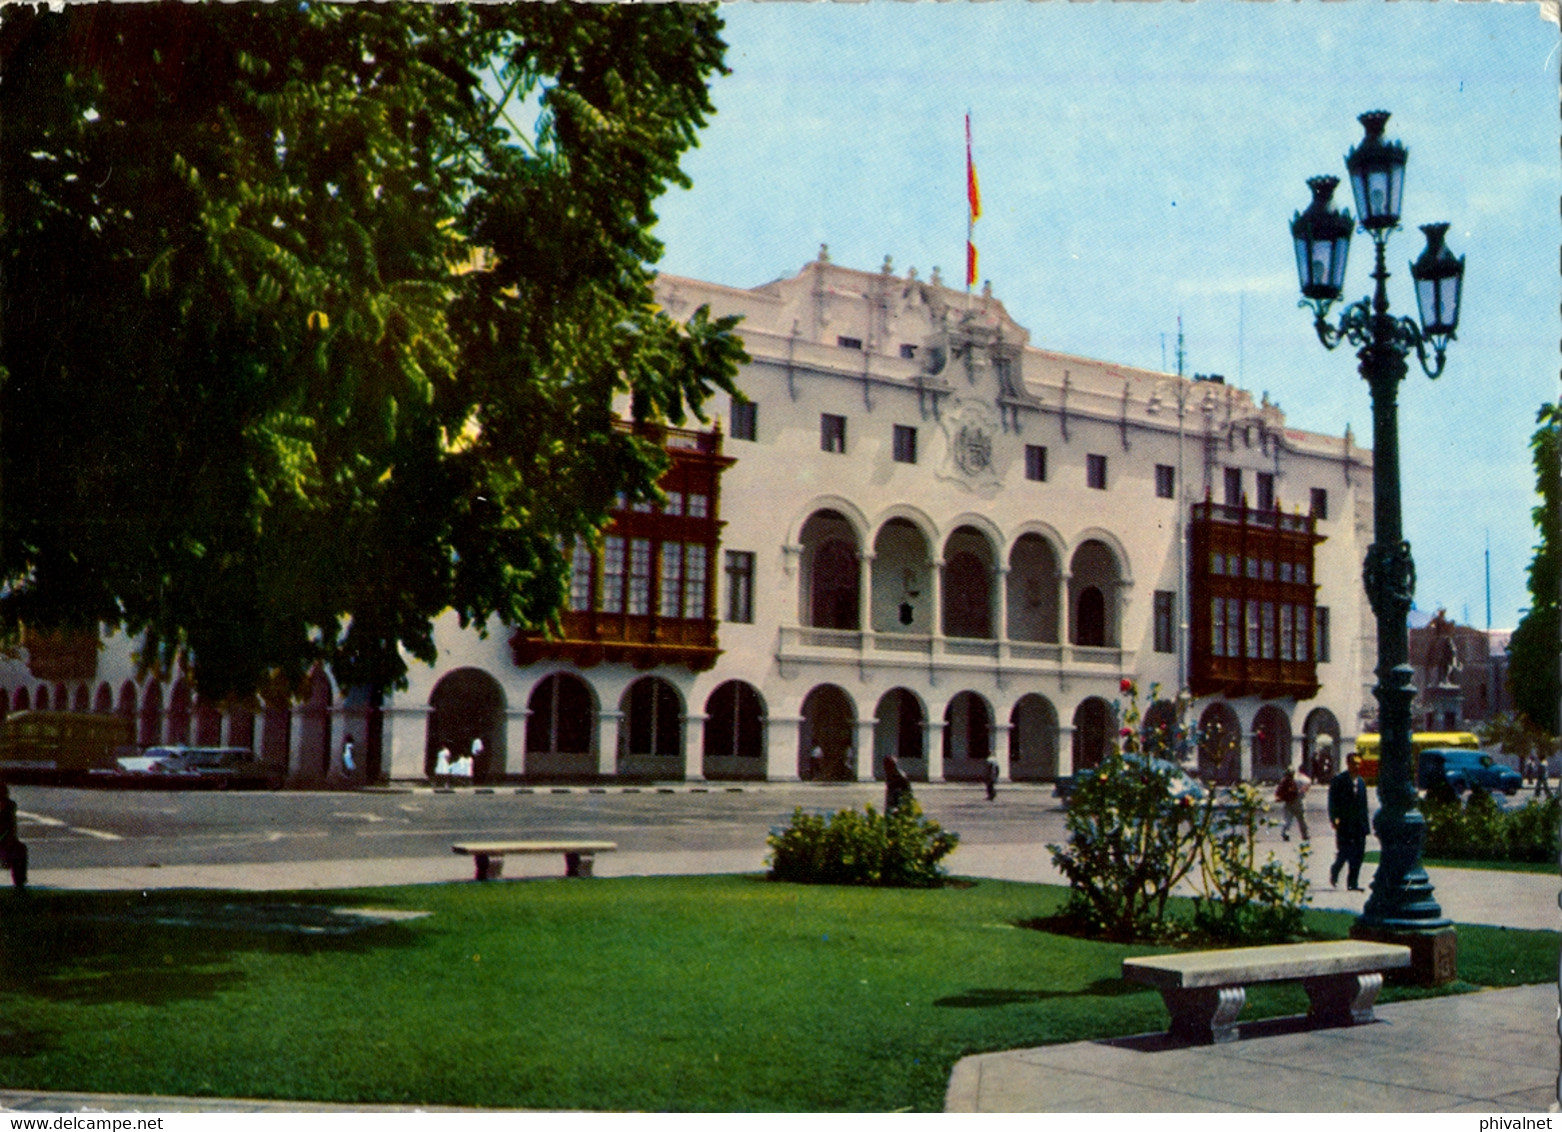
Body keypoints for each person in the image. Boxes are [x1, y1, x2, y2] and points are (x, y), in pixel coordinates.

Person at [1328, 753, 1370, 891]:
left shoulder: (1361, 782)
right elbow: (1332, 802)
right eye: (1354, 763)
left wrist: (1366, 825)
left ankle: (1353, 883)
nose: (1356, 766)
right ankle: (1335, 870)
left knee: (1358, 854)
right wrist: (1334, 818)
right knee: (1344, 852)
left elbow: (1364, 806)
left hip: (1359, 825)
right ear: (1348, 764)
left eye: (1358, 764)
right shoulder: (1339, 780)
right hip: (1345, 824)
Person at [0, 783, 27, 890]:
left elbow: (11, 831)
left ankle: (20, 882)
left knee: (20, 849)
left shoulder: (9, 809)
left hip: (5, 844)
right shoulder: (9, 808)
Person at [1276, 766, 1310, 842]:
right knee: (1302, 820)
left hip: (1288, 803)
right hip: (1299, 802)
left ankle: (1285, 833)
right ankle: (1305, 835)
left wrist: (1280, 798)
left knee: (1287, 820)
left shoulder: (1284, 781)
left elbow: (1279, 792)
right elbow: (1308, 783)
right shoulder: (1301, 779)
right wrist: (1303, 791)